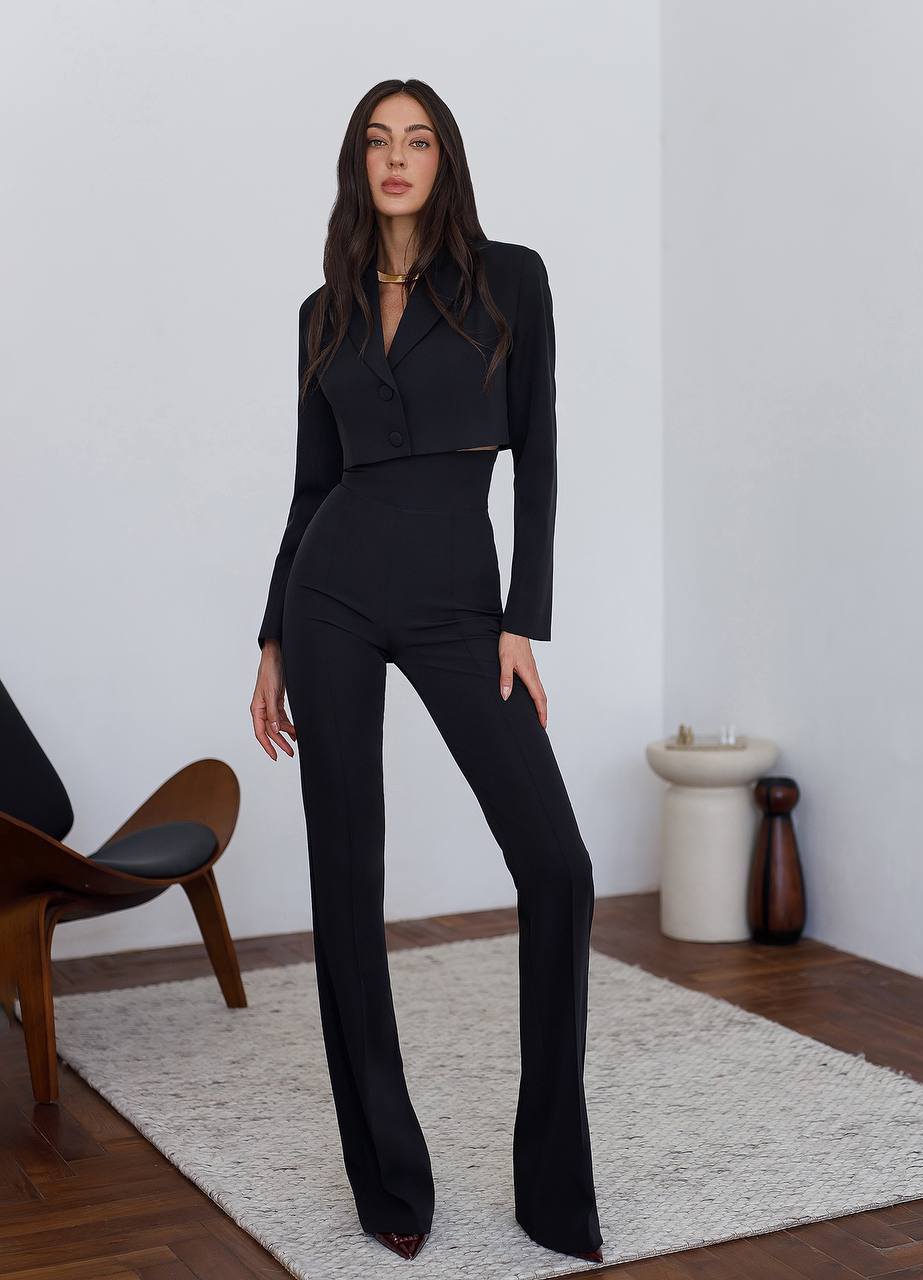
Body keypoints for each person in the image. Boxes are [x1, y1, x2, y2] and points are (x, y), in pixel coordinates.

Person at [249, 78, 604, 1266]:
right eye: (377, 141)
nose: (397, 159)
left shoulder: (512, 278)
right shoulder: (324, 308)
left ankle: (552, 1184)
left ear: (445, 161)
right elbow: (309, 485)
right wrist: (270, 637)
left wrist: (523, 619)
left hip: (462, 599)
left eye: (419, 141)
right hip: (332, 594)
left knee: (556, 863)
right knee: (344, 882)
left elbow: (541, 451)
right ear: (358, 165)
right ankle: (389, 1179)